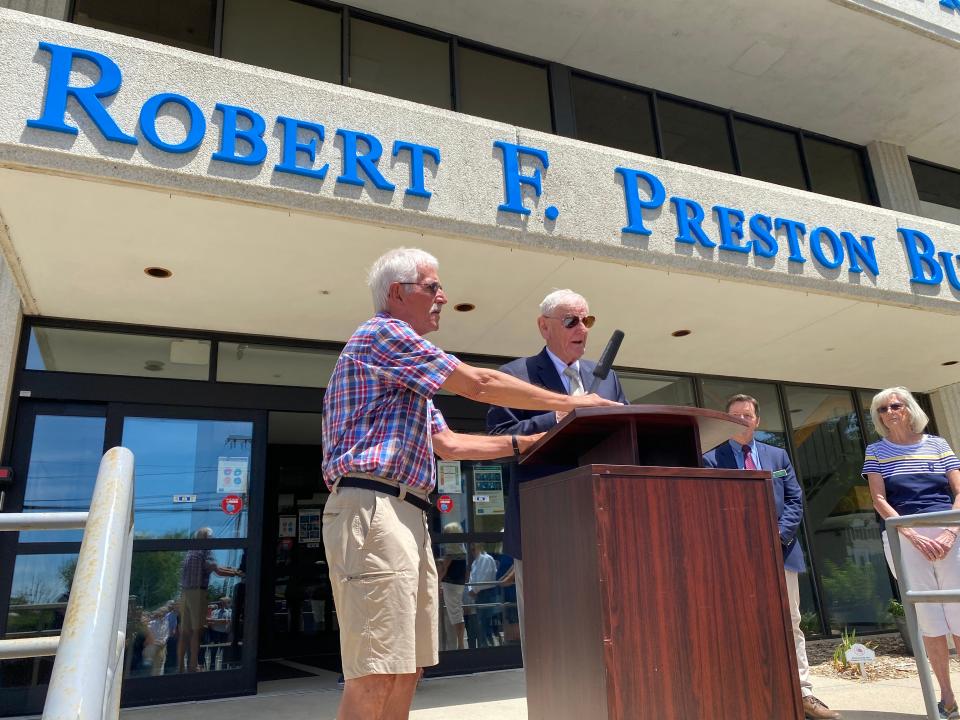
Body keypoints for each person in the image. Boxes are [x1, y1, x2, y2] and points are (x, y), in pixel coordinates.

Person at [322, 248, 618, 720]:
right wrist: (572, 405)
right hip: (373, 507)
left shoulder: (409, 379)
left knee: (404, 669)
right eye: (432, 286)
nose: (443, 296)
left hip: (405, 514)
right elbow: (477, 383)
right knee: (377, 672)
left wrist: (543, 439)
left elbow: (451, 444)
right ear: (398, 293)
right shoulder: (384, 333)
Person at [486, 288, 627, 660]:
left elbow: (626, 431)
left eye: (587, 320)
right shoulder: (516, 376)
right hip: (543, 528)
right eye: (571, 321)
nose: (582, 328)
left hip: (602, 524)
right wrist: (556, 416)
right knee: (551, 648)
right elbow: (499, 440)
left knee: (604, 642)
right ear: (544, 327)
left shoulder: (608, 378)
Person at [703, 393, 839, 720]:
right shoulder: (710, 459)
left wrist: (777, 536)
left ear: (757, 420)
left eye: (747, 415)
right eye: (735, 415)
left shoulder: (777, 456)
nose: (742, 420)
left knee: (790, 622)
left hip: (782, 552)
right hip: (736, 557)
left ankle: (803, 693)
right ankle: (746, 693)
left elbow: (795, 499)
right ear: (727, 420)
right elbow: (710, 508)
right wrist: (743, 543)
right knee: (741, 622)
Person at [862, 386, 960, 720]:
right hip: (906, 537)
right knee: (930, 620)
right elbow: (878, 499)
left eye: (896, 405)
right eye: (882, 409)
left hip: (950, 532)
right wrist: (913, 534)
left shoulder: (938, 444)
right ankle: (946, 698)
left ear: (909, 408)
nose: (890, 412)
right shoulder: (875, 450)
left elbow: (959, 490)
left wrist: (950, 531)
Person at [176, 528, 243, 673]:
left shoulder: (190, 552)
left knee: (184, 632)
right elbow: (217, 570)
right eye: (212, 537)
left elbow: (214, 567)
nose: (214, 539)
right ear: (206, 538)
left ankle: (180, 666)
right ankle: (193, 665)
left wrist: (231, 569)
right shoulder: (205, 550)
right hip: (197, 593)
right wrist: (237, 573)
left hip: (184, 593)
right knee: (197, 631)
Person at [436, 523, 467, 650]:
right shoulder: (462, 552)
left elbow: (443, 570)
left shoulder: (450, 554)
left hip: (450, 585)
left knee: (454, 614)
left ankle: (460, 644)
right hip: (459, 584)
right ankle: (460, 643)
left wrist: (437, 582)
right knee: (457, 612)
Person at [466, 543, 499, 648]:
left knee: (486, 622)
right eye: (471, 549)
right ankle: (484, 645)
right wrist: (471, 590)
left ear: (479, 547)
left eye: (473, 548)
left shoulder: (487, 559)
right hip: (479, 595)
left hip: (487, 594)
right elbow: (471, 579)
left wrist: (474, 590)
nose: (472, 551)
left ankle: (489, 646)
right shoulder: (475, 563)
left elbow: (486, 578)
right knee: (481, 622)